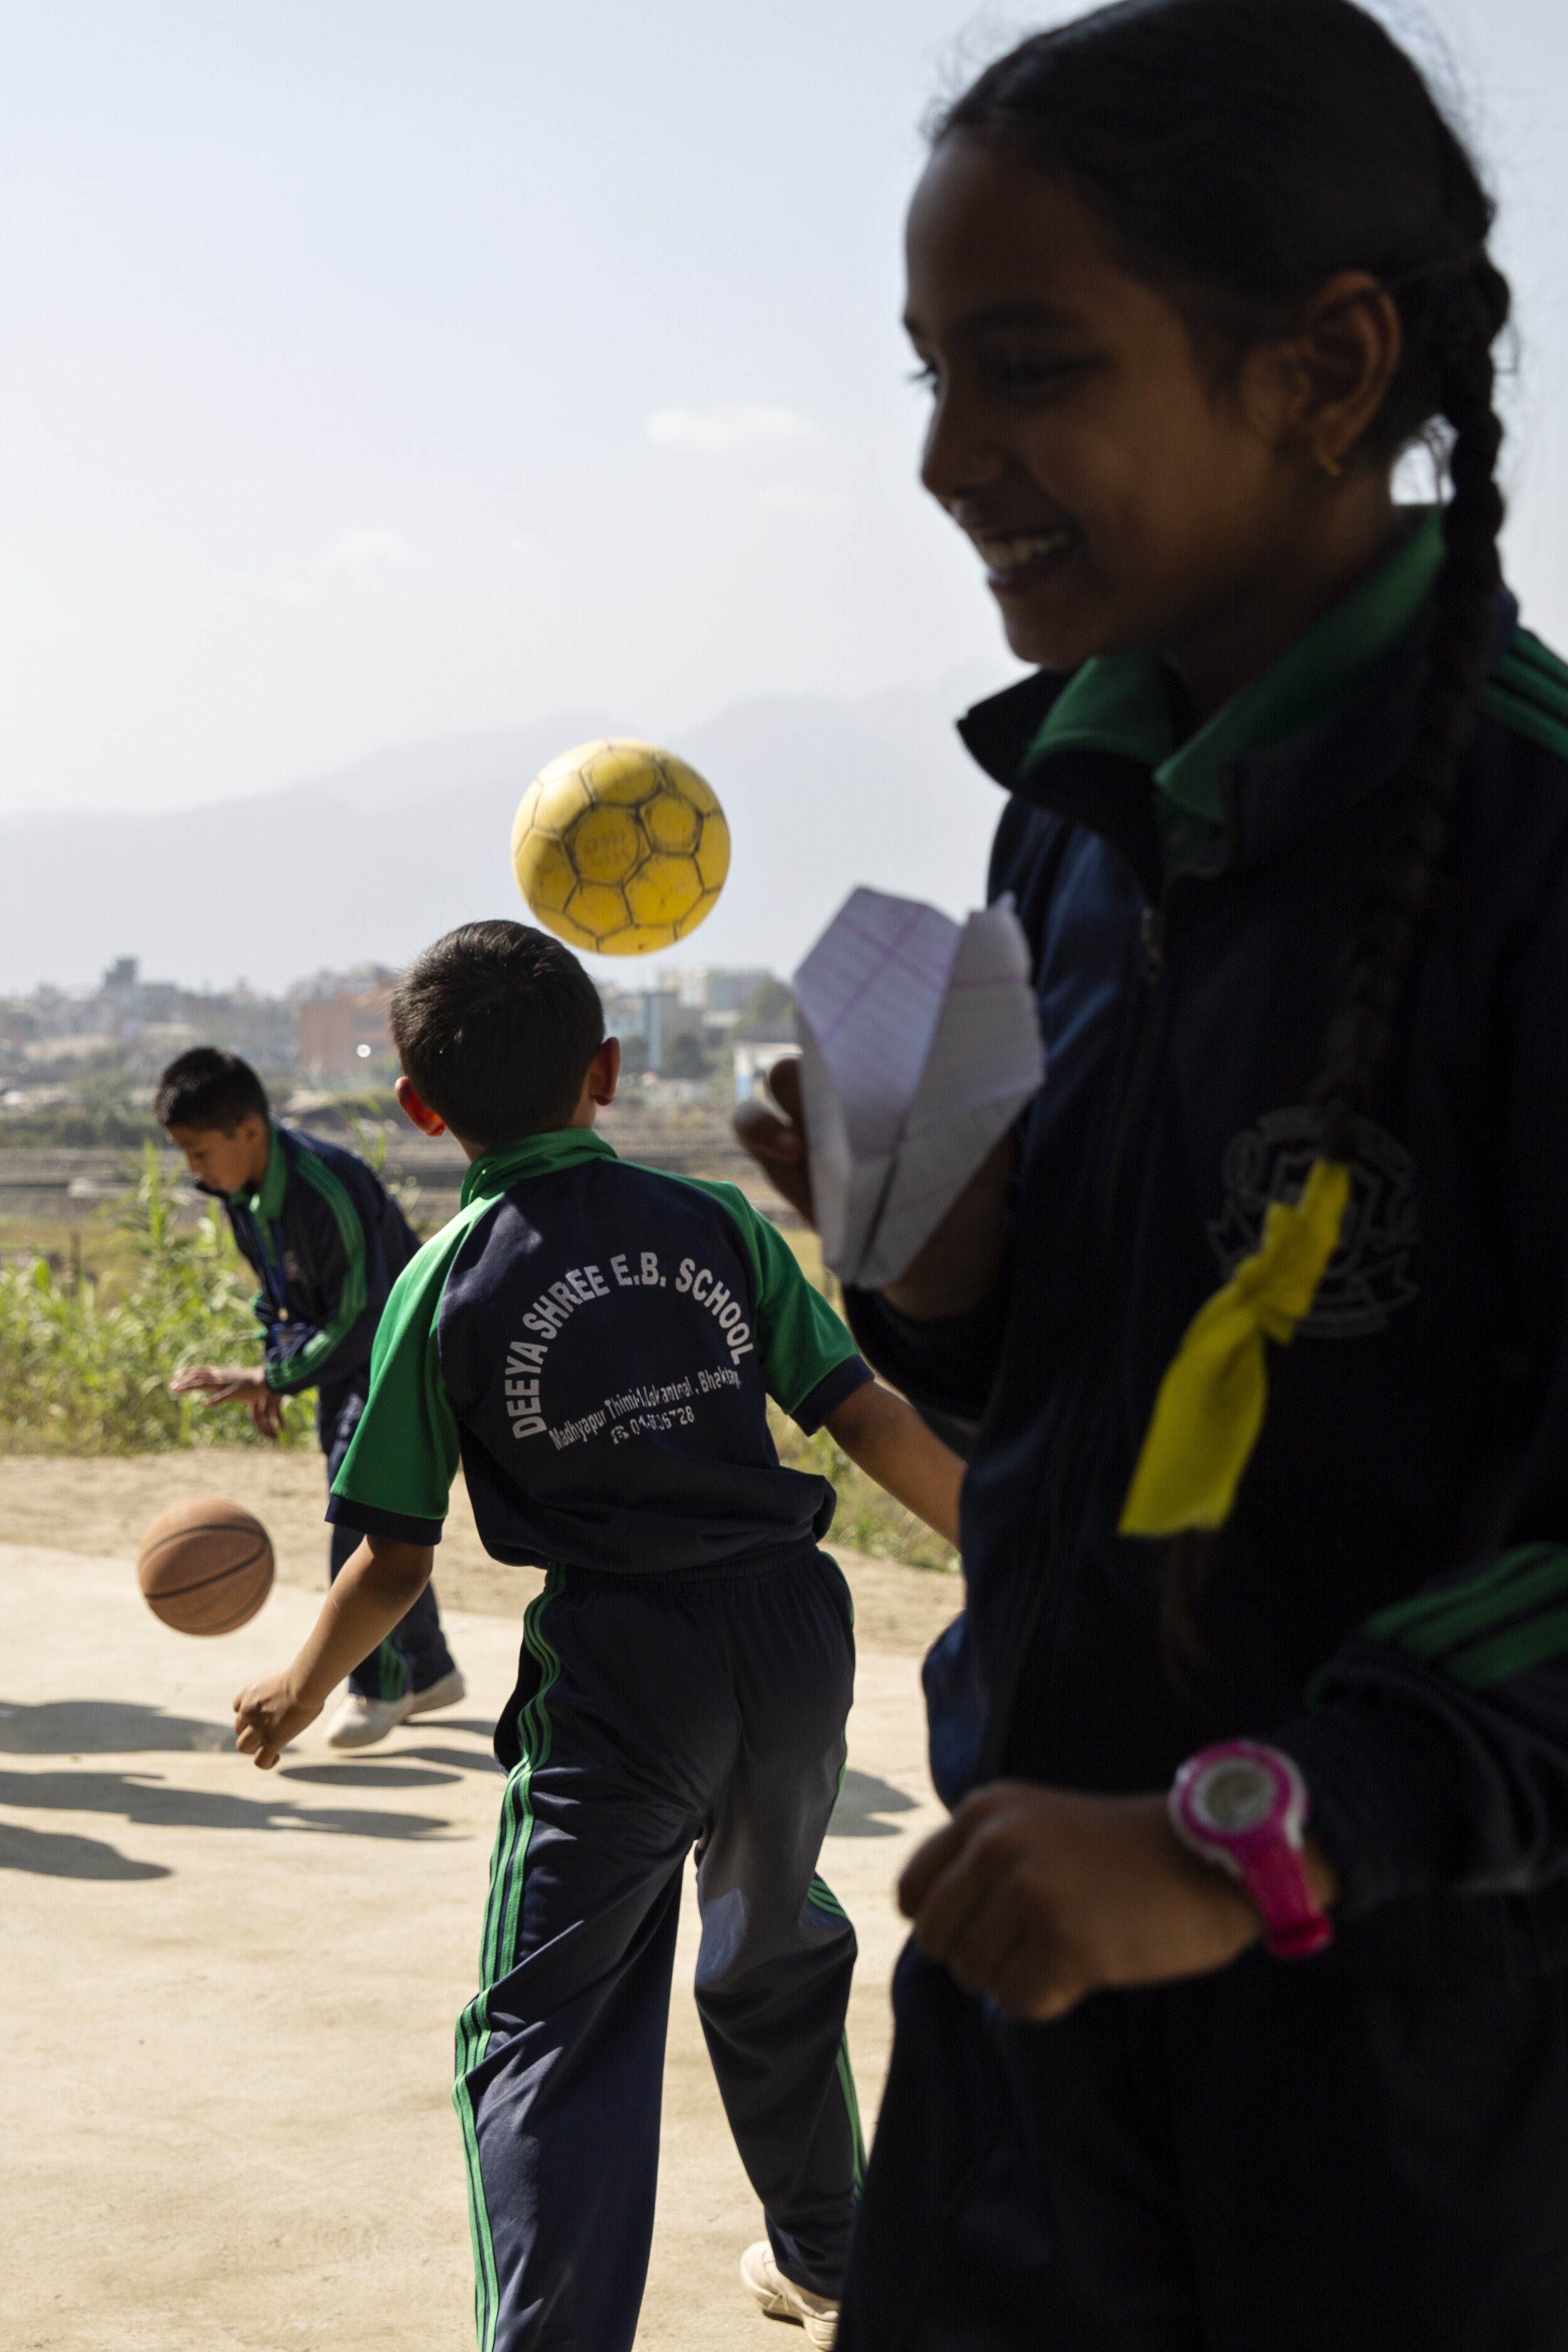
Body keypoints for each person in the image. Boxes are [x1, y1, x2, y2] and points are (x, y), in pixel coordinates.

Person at [736, 3, 1568, 2343]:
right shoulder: (1075, 809)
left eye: (1024, 365)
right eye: (925, 371)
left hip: (1407, 2070)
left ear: (1323, 362)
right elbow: (1112, 1377)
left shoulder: (1530, 845)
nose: (943, 456)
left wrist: (1265, 1828)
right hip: (1025, 2004)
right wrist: (949, 1261)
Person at [230, 920, 966, 2352]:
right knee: (768, 1941)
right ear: (608, 1072)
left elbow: (393, 1551)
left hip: (628, 1671)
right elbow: (864, 1413)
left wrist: (303, 1680)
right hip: (794, 1638)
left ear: (420, 1111)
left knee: (548, 2032)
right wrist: (1015, 1554)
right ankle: (834, 2253)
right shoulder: (715, 1220)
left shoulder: (439, 1282)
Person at [157, 1046, 465, 1748]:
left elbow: (364, 1313)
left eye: (199, 1151)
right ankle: (429, 1668)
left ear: (250, 1131)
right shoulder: (241, 1196)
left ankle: (378, 1686)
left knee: (362, 1513)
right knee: (378, 1513)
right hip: (349, 1364)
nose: (193, 1169)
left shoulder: (326, 1185)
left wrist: (274, 1379)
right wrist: (278, 1364)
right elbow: (280, 1298)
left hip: (401, 1357)